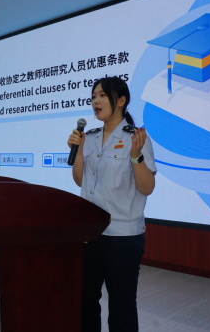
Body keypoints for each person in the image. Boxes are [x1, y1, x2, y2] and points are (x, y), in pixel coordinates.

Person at [67, 76, 156, 332]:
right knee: (85, 302)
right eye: (94, 96)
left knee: (121, 306)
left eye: (103, 95)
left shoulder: (135, 138)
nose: (96, 101)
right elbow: (80, 180)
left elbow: (147, 188)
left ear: (121, 101)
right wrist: (78, 151)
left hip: (123, 237)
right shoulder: (90, 137)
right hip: (90, 235)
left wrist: (136, 157)